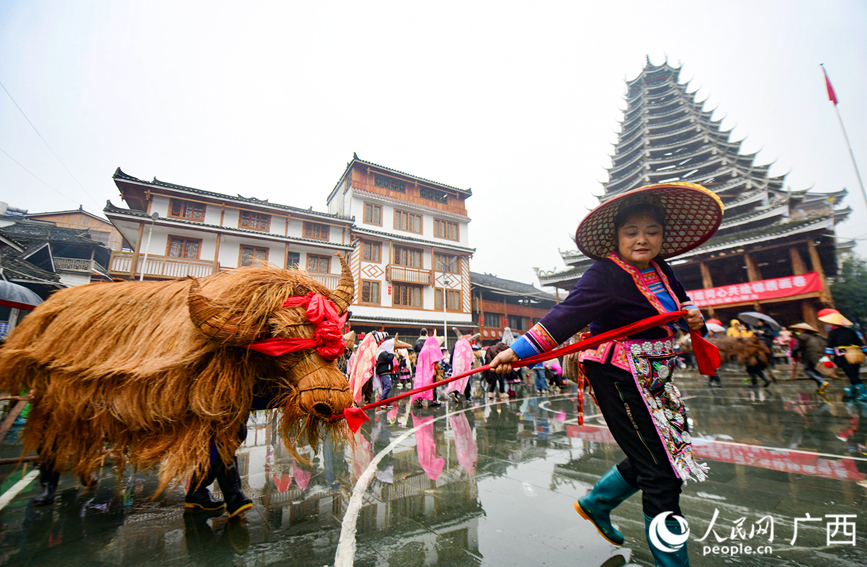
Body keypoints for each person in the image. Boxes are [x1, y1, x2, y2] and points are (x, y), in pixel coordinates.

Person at [490, 182, 722, 566]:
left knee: (659, 454)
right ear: (617, 236)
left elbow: (683, 307)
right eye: (632, 232)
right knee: (662, 475)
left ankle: (596, 503)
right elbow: (562, 319)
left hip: (656, 378)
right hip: (618, 376)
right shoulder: (604, 274)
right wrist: (515, 352)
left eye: (652, 231)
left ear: (663, 235)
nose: (642, 239)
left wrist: (695, 317)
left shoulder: (663, 268)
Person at [821, 311, 867, 400]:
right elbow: (861, 344)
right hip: (856, 355)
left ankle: (864, 394)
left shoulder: (833, 333)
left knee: (851, 375)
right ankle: (851, 392)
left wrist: (827, 357)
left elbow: (830, 346)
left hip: (843, 356)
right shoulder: (851, 331)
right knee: (853, 374)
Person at [789, 323, 830, 394]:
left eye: (800, 329)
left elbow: (796, 348)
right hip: (819, 355)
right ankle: (821, 387)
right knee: (817, 370)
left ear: (803, 330)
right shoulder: (817, 337)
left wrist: (793, 355)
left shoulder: (802, 337)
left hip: (808, 356)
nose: (799, 330)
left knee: (807, 370)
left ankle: (821, 381)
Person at [411, 336, 444, 408]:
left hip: (422, 372)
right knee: (433, 386)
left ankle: (419, 400)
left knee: (422, 385)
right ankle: (434, 401)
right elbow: (436, 358)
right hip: (431, 371)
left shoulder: (423, 350)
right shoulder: (432, 350)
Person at [375, 338, 397, 405]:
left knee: (385, 386)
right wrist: (392, 353)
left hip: (384, 371)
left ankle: (385, 402)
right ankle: (381, 401)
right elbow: (389, 358)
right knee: (388, 386)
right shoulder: (383, 353)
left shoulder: (383, 352)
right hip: (383, 371)